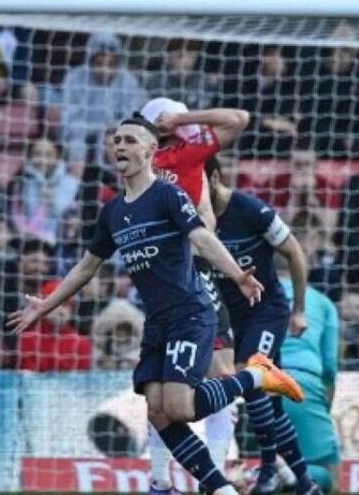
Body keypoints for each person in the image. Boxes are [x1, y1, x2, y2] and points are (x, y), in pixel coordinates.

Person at [8, 115, 304, 495]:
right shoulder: (113, 212)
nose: (120, 147)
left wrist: (237, 275)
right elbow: (85, 268)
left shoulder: (168, 194)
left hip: (190, 313)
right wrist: (44, 305)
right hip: (158, 321)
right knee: (159, 413)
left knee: (181, 407)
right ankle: (220, 489)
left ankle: (257, 377)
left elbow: (202, 238)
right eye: (116, 141)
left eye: (130, 140)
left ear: (151, 151)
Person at [141, 97, 253, 495]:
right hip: (191, 274)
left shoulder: (150, 166)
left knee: (160, 386)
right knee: (219, 375)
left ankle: (160, 480)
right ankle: (214, 473)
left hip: (162, 280)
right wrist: (186, 119)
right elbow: (239, 118)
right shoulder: (183, 157)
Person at [205, 156, 320, 495]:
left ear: (213, 178)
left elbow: (295, 253)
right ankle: (305, 482)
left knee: (249, 373)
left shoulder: (251, 210)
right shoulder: (196, 218)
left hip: (266, 310)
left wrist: (299, 310)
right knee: (270, 404)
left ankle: (268, 468)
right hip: (230, 319)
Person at [278, 265, 341, 494]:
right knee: (330, 474)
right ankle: (286, 474)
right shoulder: (323, 303)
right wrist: (323, 407)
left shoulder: (253, 294)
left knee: (262, 463)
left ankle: (274, 473)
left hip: (257, 385)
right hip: (303, 384)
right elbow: (330, 368)